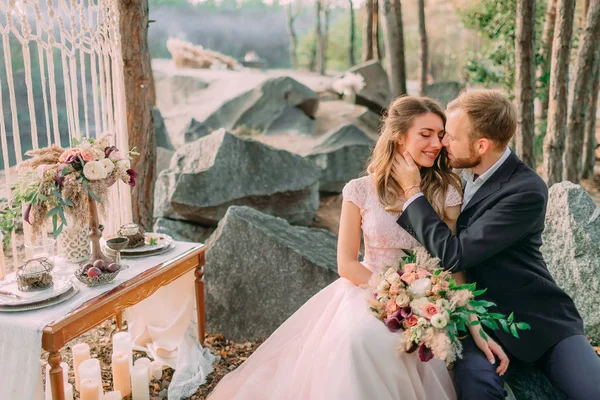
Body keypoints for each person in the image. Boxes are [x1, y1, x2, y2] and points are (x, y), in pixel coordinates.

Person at [208, 96, 508, 399]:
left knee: (393, 346)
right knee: (359, 341)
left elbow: (454, 263)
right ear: (400, 136)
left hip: (427, 298)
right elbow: (346, 264)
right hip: (367, 289)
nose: (436, 143)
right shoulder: (360, 190)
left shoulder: (446, 189)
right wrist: (394, 295)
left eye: (441, 135)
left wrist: (475, 325)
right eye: (425, 134)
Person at [392, 90, 600, 400]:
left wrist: (411, 192)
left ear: (481, 145)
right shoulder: (454, 174)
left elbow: (454, 254)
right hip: (475, 320)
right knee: (478, 390)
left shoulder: (526, 190)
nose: (443, 143)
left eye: (451, 136)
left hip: (538, 320)